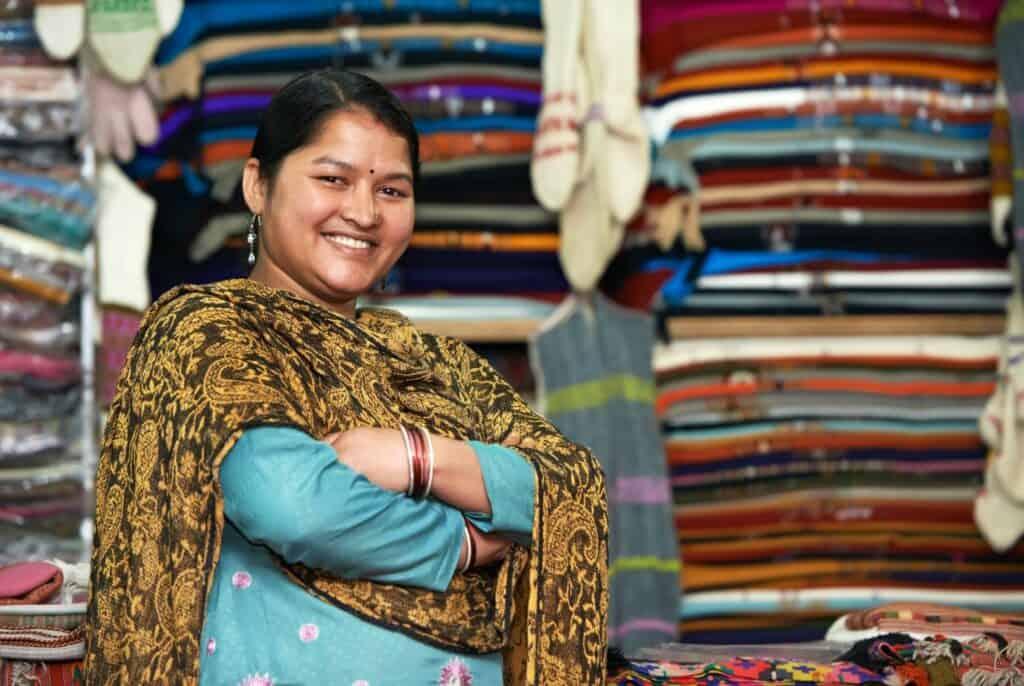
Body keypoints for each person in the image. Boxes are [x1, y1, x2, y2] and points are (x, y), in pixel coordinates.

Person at [83, 69, 608, 685]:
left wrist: (416, 458)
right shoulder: (206, 331)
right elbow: (292, 502)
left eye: (392, 190)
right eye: (333, 179)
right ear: (258, 184)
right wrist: (464, 542)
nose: (363, 212)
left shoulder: (432, 361)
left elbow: (567, 482)